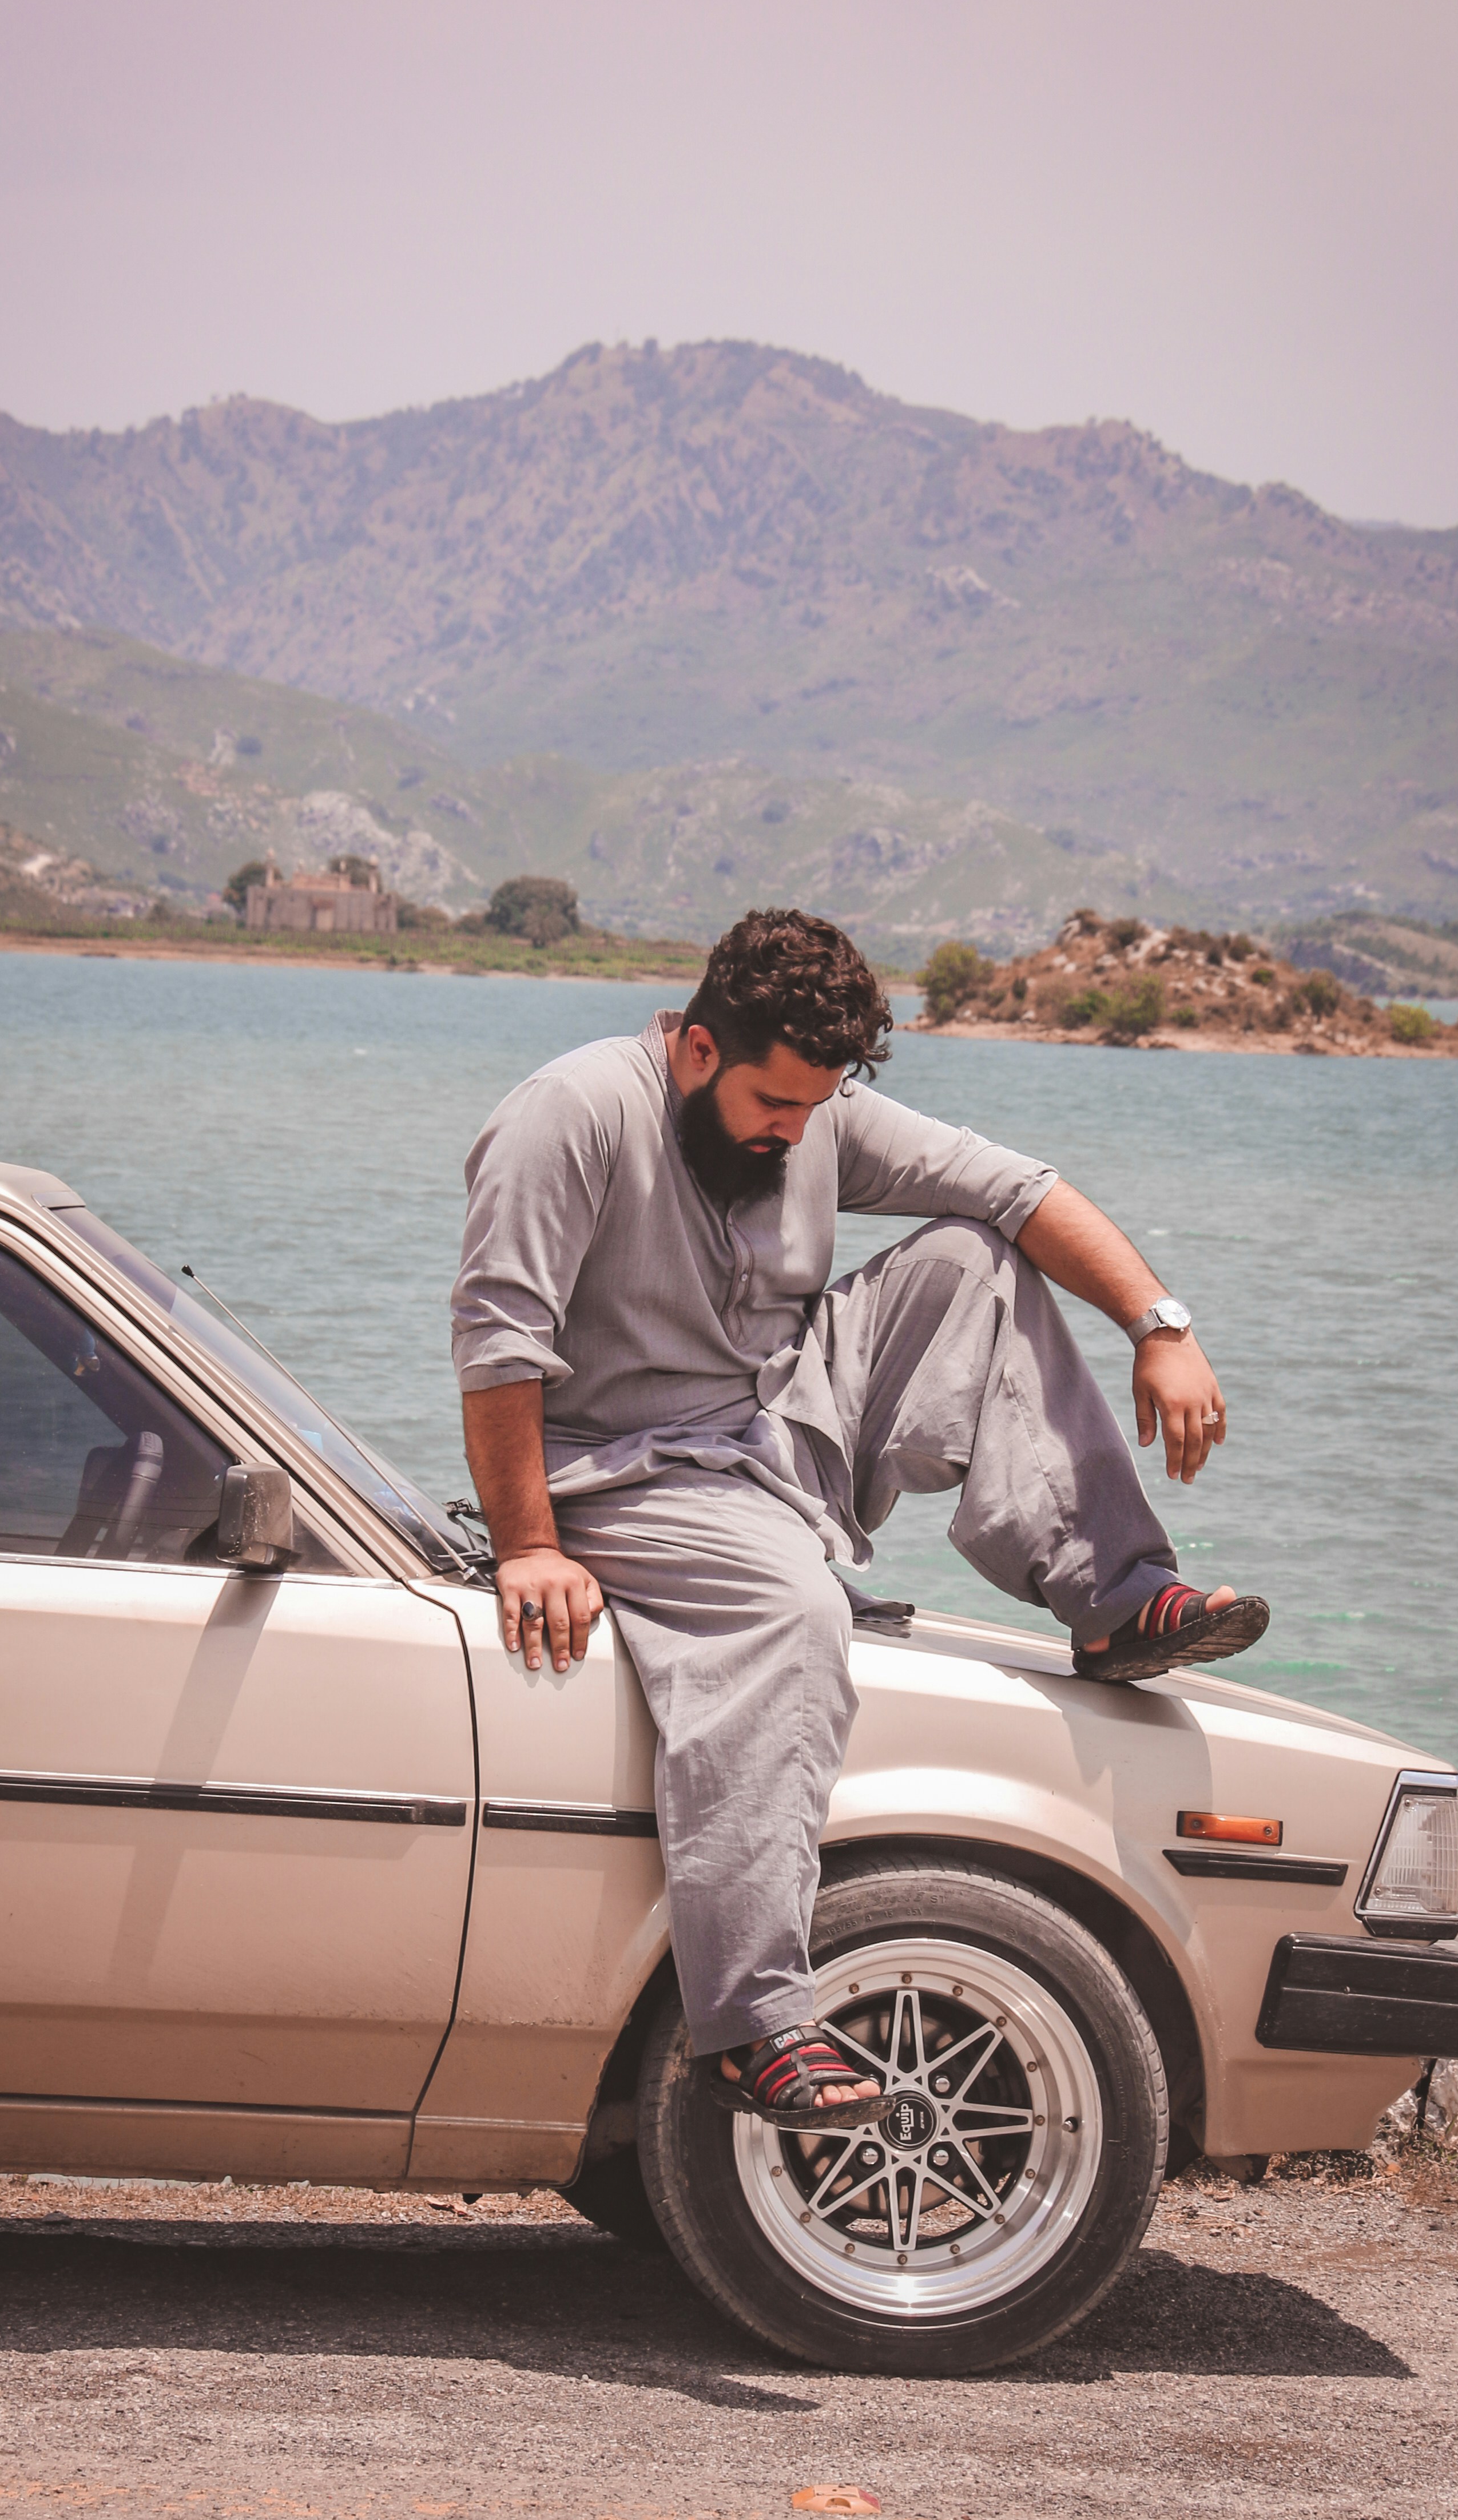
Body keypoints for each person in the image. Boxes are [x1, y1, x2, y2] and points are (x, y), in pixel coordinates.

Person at [451, 908, 1265, 2130]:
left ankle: (1114, 1595)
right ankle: (754, 2024)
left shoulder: (814, 1113)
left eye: (816, 1106)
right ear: (696, 1048)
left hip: (783, 1423)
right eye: (774, 1104)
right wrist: (528, 1544)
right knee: (793, 1614)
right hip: (629, 1472)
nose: (795, 1131)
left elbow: (1019, 1187)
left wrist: (1162, 1325)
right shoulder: (569, 1113)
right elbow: (498, 1340)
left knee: (976, 1256)